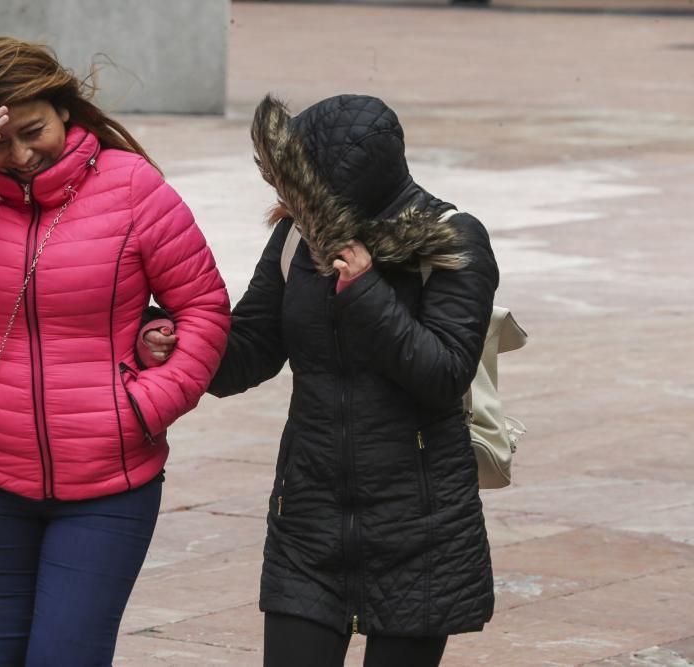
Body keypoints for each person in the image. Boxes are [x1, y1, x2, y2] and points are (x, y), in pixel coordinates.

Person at [0, 36, 230, 666]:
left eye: (33, 130)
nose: (20, 155)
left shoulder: (133, 188)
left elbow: (204, 308)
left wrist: (141, 408)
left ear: (64, 108)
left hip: (108, 484)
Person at [143, 94, 498, 667]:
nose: (292, 197)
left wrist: (364, 290)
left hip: (420, 528)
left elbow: (443, 373)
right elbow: (253, 347)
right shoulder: (296, 240)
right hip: (309, 519)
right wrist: (177, 340)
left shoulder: (452, 239)